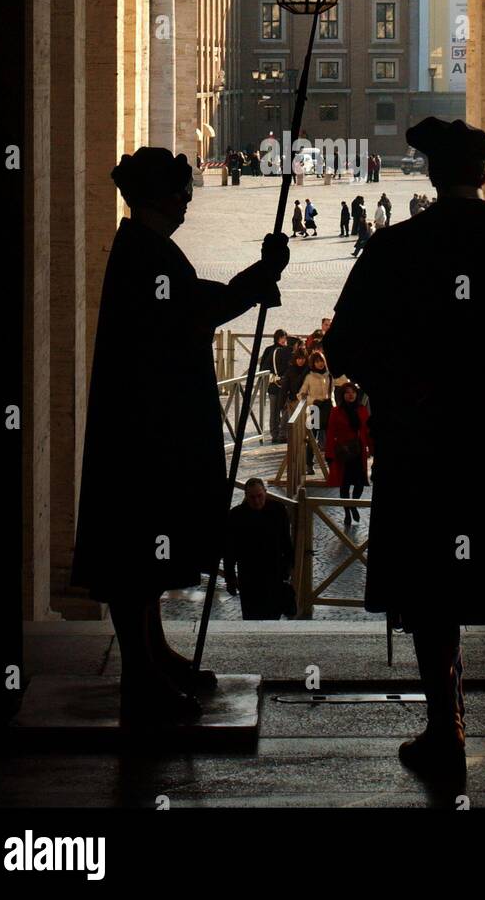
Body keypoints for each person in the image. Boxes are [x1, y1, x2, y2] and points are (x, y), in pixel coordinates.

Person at [322, 115, 485, 780]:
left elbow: (344, 345)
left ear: (429, 176)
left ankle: (444, 732)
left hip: (425, 451)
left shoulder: (392, 251)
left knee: (431, 591)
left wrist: (406, 390)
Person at [70, 147, 290, 727]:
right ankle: (140, 677)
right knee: (135, 551)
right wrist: (261, 275)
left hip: (147, 425)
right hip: (144, 432)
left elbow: (193, 307)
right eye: (183, 190)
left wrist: (255, 278)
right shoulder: (148, 255)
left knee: (146, 544)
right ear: (164, 197)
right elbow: (197, 309)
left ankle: (154, 653)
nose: (190, 199)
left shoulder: (146, 249)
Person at [224, 479, 295, 619]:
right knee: (251, 619)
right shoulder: (236, 515)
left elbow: (286, 542)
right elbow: (230, 550)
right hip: (249, 578)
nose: (256, 501)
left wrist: (288, 569)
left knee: (272, 619)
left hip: (274, 575)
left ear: (265, 493)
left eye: (259, 496)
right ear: (246, 496)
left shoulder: (278, 510)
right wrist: (230, 578)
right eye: (252, 497)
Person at [325, 384, 372, 527]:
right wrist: (329, 453)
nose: (350, 395)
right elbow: (331, 432)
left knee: (359, 485)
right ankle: (347, 512)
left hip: (359, 453)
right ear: (342, 395)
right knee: (344, 485)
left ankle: (353, 505)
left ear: (357, 394)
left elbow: (368, 431)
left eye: (353, 392)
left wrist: (372, 448)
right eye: (347, 393)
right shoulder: (336, 411)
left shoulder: (362, 410)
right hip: (344, 453)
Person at [298, 349, 333, 473]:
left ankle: (331, 463)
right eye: (317, 361)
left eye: (321, 361)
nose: (320, 364)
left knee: (330, 438)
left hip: (328, 408)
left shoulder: (329, 375)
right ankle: (309, 464)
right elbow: (301, 394)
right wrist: (313, 400)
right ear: (313, 363)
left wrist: (331, 403)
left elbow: (333, 391)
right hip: (313, 409)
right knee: (312, 438)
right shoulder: (309, 377)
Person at [261, 328, 290, 442]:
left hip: (281, 385)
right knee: (274, 411)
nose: (283, 340)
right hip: (274, 385)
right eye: (281, 338)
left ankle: (281, 434)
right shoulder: (270, 350)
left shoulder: (286, 350)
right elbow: (263, 368)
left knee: (283, 410)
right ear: (276, 338)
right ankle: (275, 434)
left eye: (284, 338)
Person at [277, 343, 310, 442]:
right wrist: (281, 404)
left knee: (309, 426)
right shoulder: (290, 371)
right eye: (299, 358)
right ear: (295, 359)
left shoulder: (310, 371)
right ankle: (284, 437)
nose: (301, 361)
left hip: (309, 402)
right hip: (294, 401)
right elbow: (285, 388)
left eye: (303, 358)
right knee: (292, 425)